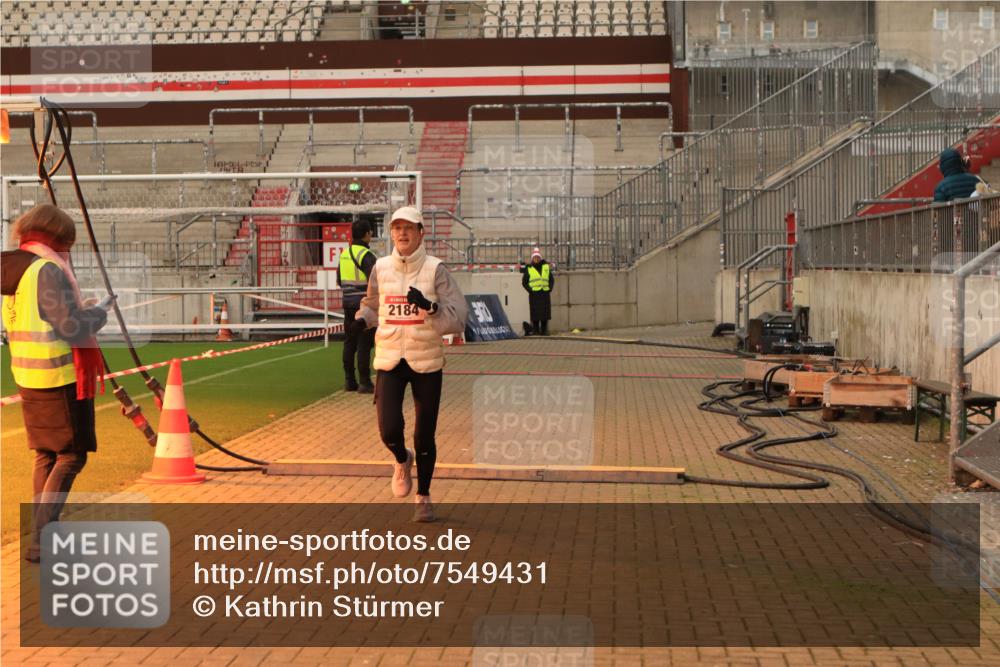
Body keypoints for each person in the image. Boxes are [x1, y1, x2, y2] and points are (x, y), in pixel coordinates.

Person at [1, 204, 111, 562]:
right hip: (58, 376)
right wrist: (98, 313)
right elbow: (70, 327)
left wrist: (82, 310)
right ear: (57, 237)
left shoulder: (16, 268)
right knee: (71, 456)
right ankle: (43, 538)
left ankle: (43, 534)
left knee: (46, 455)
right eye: (67, 244)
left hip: (28, 375)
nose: (68, 252)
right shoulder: (46, 269)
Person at [353, 206, 468, 522]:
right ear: (391, 233)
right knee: (388, 430)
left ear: (421, 233)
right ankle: (402, 459)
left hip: (427, 361)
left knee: (424, 435)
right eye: (397, 228)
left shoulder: (436, 269)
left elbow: (458, 317)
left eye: (409, 228)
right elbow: (372, 304)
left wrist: (430, 307)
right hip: (389, 358)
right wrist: (362, 319)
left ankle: (424, 497)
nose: (402, 233)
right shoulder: (380, 267)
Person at [338, 219, 378, 393]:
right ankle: (364, 382)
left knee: (349, 342)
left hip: (347, 302)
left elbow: (339, 279)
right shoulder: (367, 255)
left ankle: (349, 381)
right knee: (364, 343)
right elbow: (375, 281)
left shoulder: (344, 254)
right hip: (363, 305)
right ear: (367, 234)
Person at [521, 246, 554, 336]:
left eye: (538, 257)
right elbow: (524, 282)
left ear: (540, 258)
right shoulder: (529, 268)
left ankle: (544, 331)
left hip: (544, 293)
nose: (536, 259)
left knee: (545, 314)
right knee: (535, 314)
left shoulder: (546, 267)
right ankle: (535, 331)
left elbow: (551, 279)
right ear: (532, 259)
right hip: (534, 294)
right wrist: (530, 290)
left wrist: (550, 288)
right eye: (535, 257)